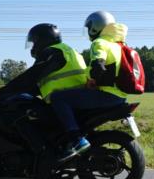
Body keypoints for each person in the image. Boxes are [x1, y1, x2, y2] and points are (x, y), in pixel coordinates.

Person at [0, 23, 90, 161]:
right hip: (75, 100)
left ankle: (43, 153)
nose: (33, 47)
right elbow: (36, 85)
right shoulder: (68, 51)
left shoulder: (52, 53)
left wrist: (1, 92)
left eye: (34, 42)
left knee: (20, 116)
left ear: (43, 40)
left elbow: (30, 77)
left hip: (66, 102)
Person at [47, 10, 128, 158]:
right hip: (120, 96)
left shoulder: (100, 43)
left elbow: (99, 66)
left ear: (95, 27)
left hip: (106, 95)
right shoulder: (117, 45)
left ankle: (76, 139)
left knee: (59, 98)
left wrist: (92, 79)